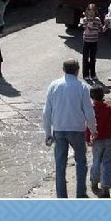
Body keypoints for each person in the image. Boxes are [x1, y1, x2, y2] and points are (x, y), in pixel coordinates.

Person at [42, 59, 97, 199]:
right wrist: (93, 130)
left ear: (63, 69)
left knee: (60, 164)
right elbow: (89, 112)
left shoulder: (53, 85)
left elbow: (46, 112)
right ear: (77, 70)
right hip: (77, 129)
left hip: (59, 129)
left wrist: (48, 133)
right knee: (81, 162)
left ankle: (61, 196)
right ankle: (81, 193)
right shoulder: (82, 87)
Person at [86, 86, 111, 198]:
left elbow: (88, 125)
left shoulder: (91, 109)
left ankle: (94, 182)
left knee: (96, 161)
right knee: (107, 162)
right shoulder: (109, 108)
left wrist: (88, 138)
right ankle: (106, 187)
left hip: (96, 139)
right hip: (108, 138)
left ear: (91, 97)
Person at [79, 4, 103, 81]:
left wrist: (107, 25)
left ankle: (92, 73)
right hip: (86, 41)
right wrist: (91, 23)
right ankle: (85, 74)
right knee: (85, 58)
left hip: (94, 41)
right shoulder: (85, 19)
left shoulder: (98, 20)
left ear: (95, 11)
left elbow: (101, 29)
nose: (91, 12)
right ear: (87, 11)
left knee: (93, 58)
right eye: (89, 10)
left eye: (93, 10)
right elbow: (87, 30)